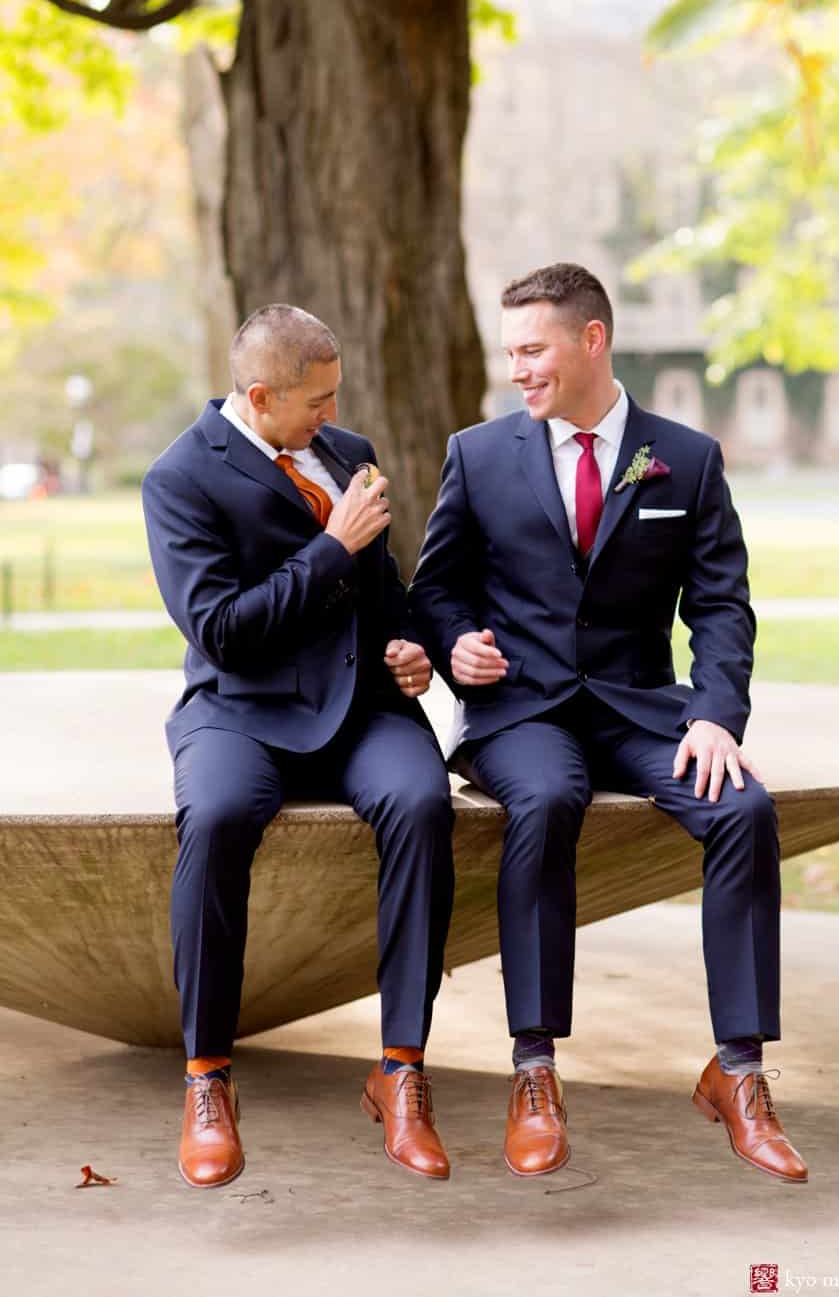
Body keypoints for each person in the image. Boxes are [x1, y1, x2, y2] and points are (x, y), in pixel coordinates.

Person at [409, 263, 807, 1184]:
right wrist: (458, 640)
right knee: (546, 799)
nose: (518, 369)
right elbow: (438, 585)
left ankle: (739, 1071)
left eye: (534, 348)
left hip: (640, 708)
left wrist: (713, 717)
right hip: (524, 713)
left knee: (743, 809)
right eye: (511, 351)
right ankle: (535, 1068)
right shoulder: (477, 453)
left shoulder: (688, 459)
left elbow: (721, 608)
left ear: (592, 340)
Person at [142, 304, 455, 1188]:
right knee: (214, 819)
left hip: (358, 707)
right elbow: (222, 629)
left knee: (424, 803)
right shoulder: (179, 478)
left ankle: (400, 1068)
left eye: (334, 396)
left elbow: (382, 584)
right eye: (314, 400)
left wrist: (406, 643)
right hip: (240, 708)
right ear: (260, 394)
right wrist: (329, 547)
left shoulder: (346, 450)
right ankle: (208, 1078)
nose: (331, 414)